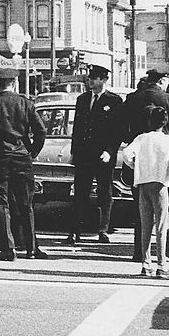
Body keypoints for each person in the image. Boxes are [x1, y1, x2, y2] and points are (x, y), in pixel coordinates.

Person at [0, 66, 47, 260]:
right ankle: (32, 248)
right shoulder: (26, 103)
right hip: (22, 157)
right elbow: (41, 131)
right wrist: (31, 151)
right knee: (26, 203)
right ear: (13, 83)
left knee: (0, 203)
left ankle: (8, 248)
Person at [121, 67, 169, 259]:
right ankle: (164, 254)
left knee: (140, 210)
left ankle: (139, 253)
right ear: (163, 80)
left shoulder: (133, 98)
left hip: (140, 162)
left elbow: (123, 126)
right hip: (163, 160)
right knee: (163, 212)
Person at [121, 106, 169, 278]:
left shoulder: (141, 138)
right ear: (164, 122)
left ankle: (145, 263)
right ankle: (162, 264)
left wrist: (135, 166)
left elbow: (127, 154)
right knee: (161, 225)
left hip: (143, 183)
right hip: (160, 184)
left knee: (145, 225)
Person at [66, 64, 124, 244]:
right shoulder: (83, 99)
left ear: (104, 79)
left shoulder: (114, 101)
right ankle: (75, 231)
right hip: (84, 155)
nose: (90, 81)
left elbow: (118, 131)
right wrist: (74, 152)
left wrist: (110, 150)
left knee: (104, 193)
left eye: (95, 78)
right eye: (90, 77)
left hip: (103, 155)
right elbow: (78, 128)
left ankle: (103, 230)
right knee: (80, 193)